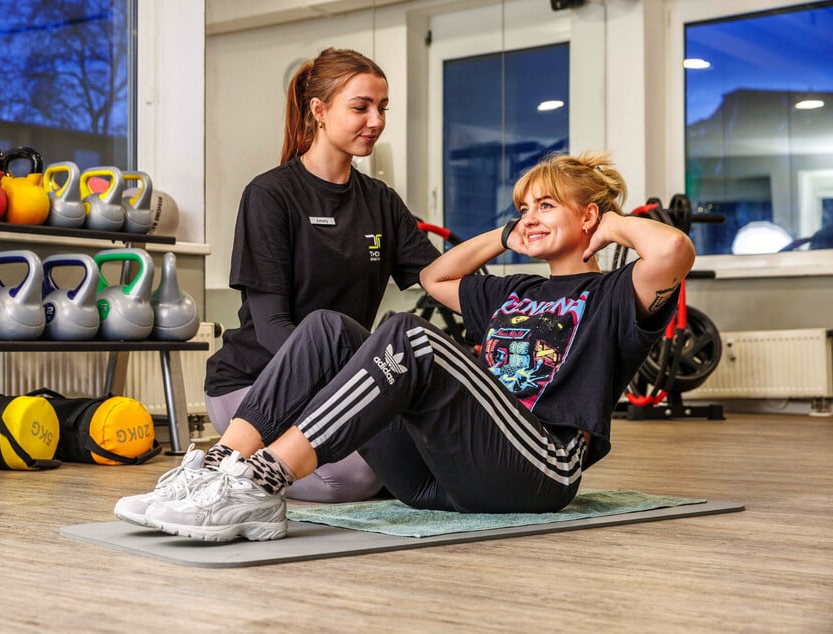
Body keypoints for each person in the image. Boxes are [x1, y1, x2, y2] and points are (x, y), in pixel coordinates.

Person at [122, 150, 695, 542]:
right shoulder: (515, 291)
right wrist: (502, 236)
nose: (530, 217)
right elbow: (436, 279)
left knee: (409, 336)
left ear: (589, 216)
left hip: (537, 468)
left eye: (546, 206)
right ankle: (224, 465)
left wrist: (613, 226)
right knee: (326, 327)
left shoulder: (617, 293)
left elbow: (671, 254)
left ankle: (262, 482)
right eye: (524, 207)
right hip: (438, 478)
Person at [113, 48, 439, 525]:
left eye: (383, 107)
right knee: (350, 479)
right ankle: (216, 469)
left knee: (411, 458)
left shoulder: (381, 202)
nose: (376, 120)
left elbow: (439, 275)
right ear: (319, 110)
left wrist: (516, 237)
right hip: (255, 382)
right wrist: (352, 386)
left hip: (340, 382)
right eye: (361, 106)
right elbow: (270, 327)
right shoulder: (270, 195)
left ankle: (237, 467)